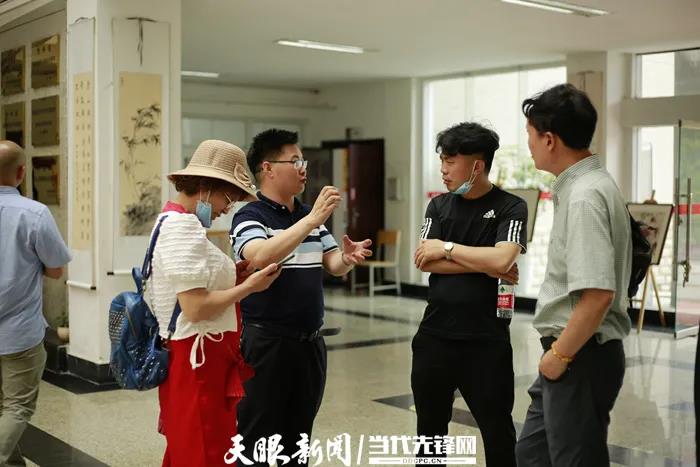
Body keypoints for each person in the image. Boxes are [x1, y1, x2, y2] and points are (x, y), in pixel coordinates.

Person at [231, 129, 372, 466]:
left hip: (309, 344)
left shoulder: (307, 216)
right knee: (258, 437)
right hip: (266, 344)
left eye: (303, 161)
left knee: (298, 436)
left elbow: (333, 263)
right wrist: (311, 220)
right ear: (267, 168)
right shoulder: (250, 216)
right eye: (294, 161)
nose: (303, 169)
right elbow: (259, 256)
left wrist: (347, 258)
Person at [515, 84, 632, 467]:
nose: (529, 145)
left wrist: (560, 355)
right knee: (533, 454)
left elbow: (598, 294)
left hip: (579, 354)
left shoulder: (584, 196)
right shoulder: (589, 185)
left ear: (549, 139)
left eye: (531, 135)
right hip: (574, 351)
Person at [149, 140, 281, 467]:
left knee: (194, 447)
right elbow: (195, 307)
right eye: (229, 198)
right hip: (199, 360)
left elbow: (196, 282)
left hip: (198, 357)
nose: (228, 208)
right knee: (205, 450)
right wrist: (248, 287)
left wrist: (235, 273)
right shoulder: (182, 227)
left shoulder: (176, 221)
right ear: (206, 188)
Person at [412, 122, 526, 466]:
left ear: (477, 166)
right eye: (442, 161)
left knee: (497, 430)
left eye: (451, 162)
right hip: (435, 336)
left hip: (486, 341)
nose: (443, 170)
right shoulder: (438, 206)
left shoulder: (511, 206)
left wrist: (446, 248)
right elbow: (425, 261)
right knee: (429, 433)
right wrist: (484, 264)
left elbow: (503, 259)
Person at [0, 140, 72, 467]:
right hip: (19, 333)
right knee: (17, 408)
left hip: (18, 333)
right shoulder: (34, 213)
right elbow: (56, 269)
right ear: (21, 172)